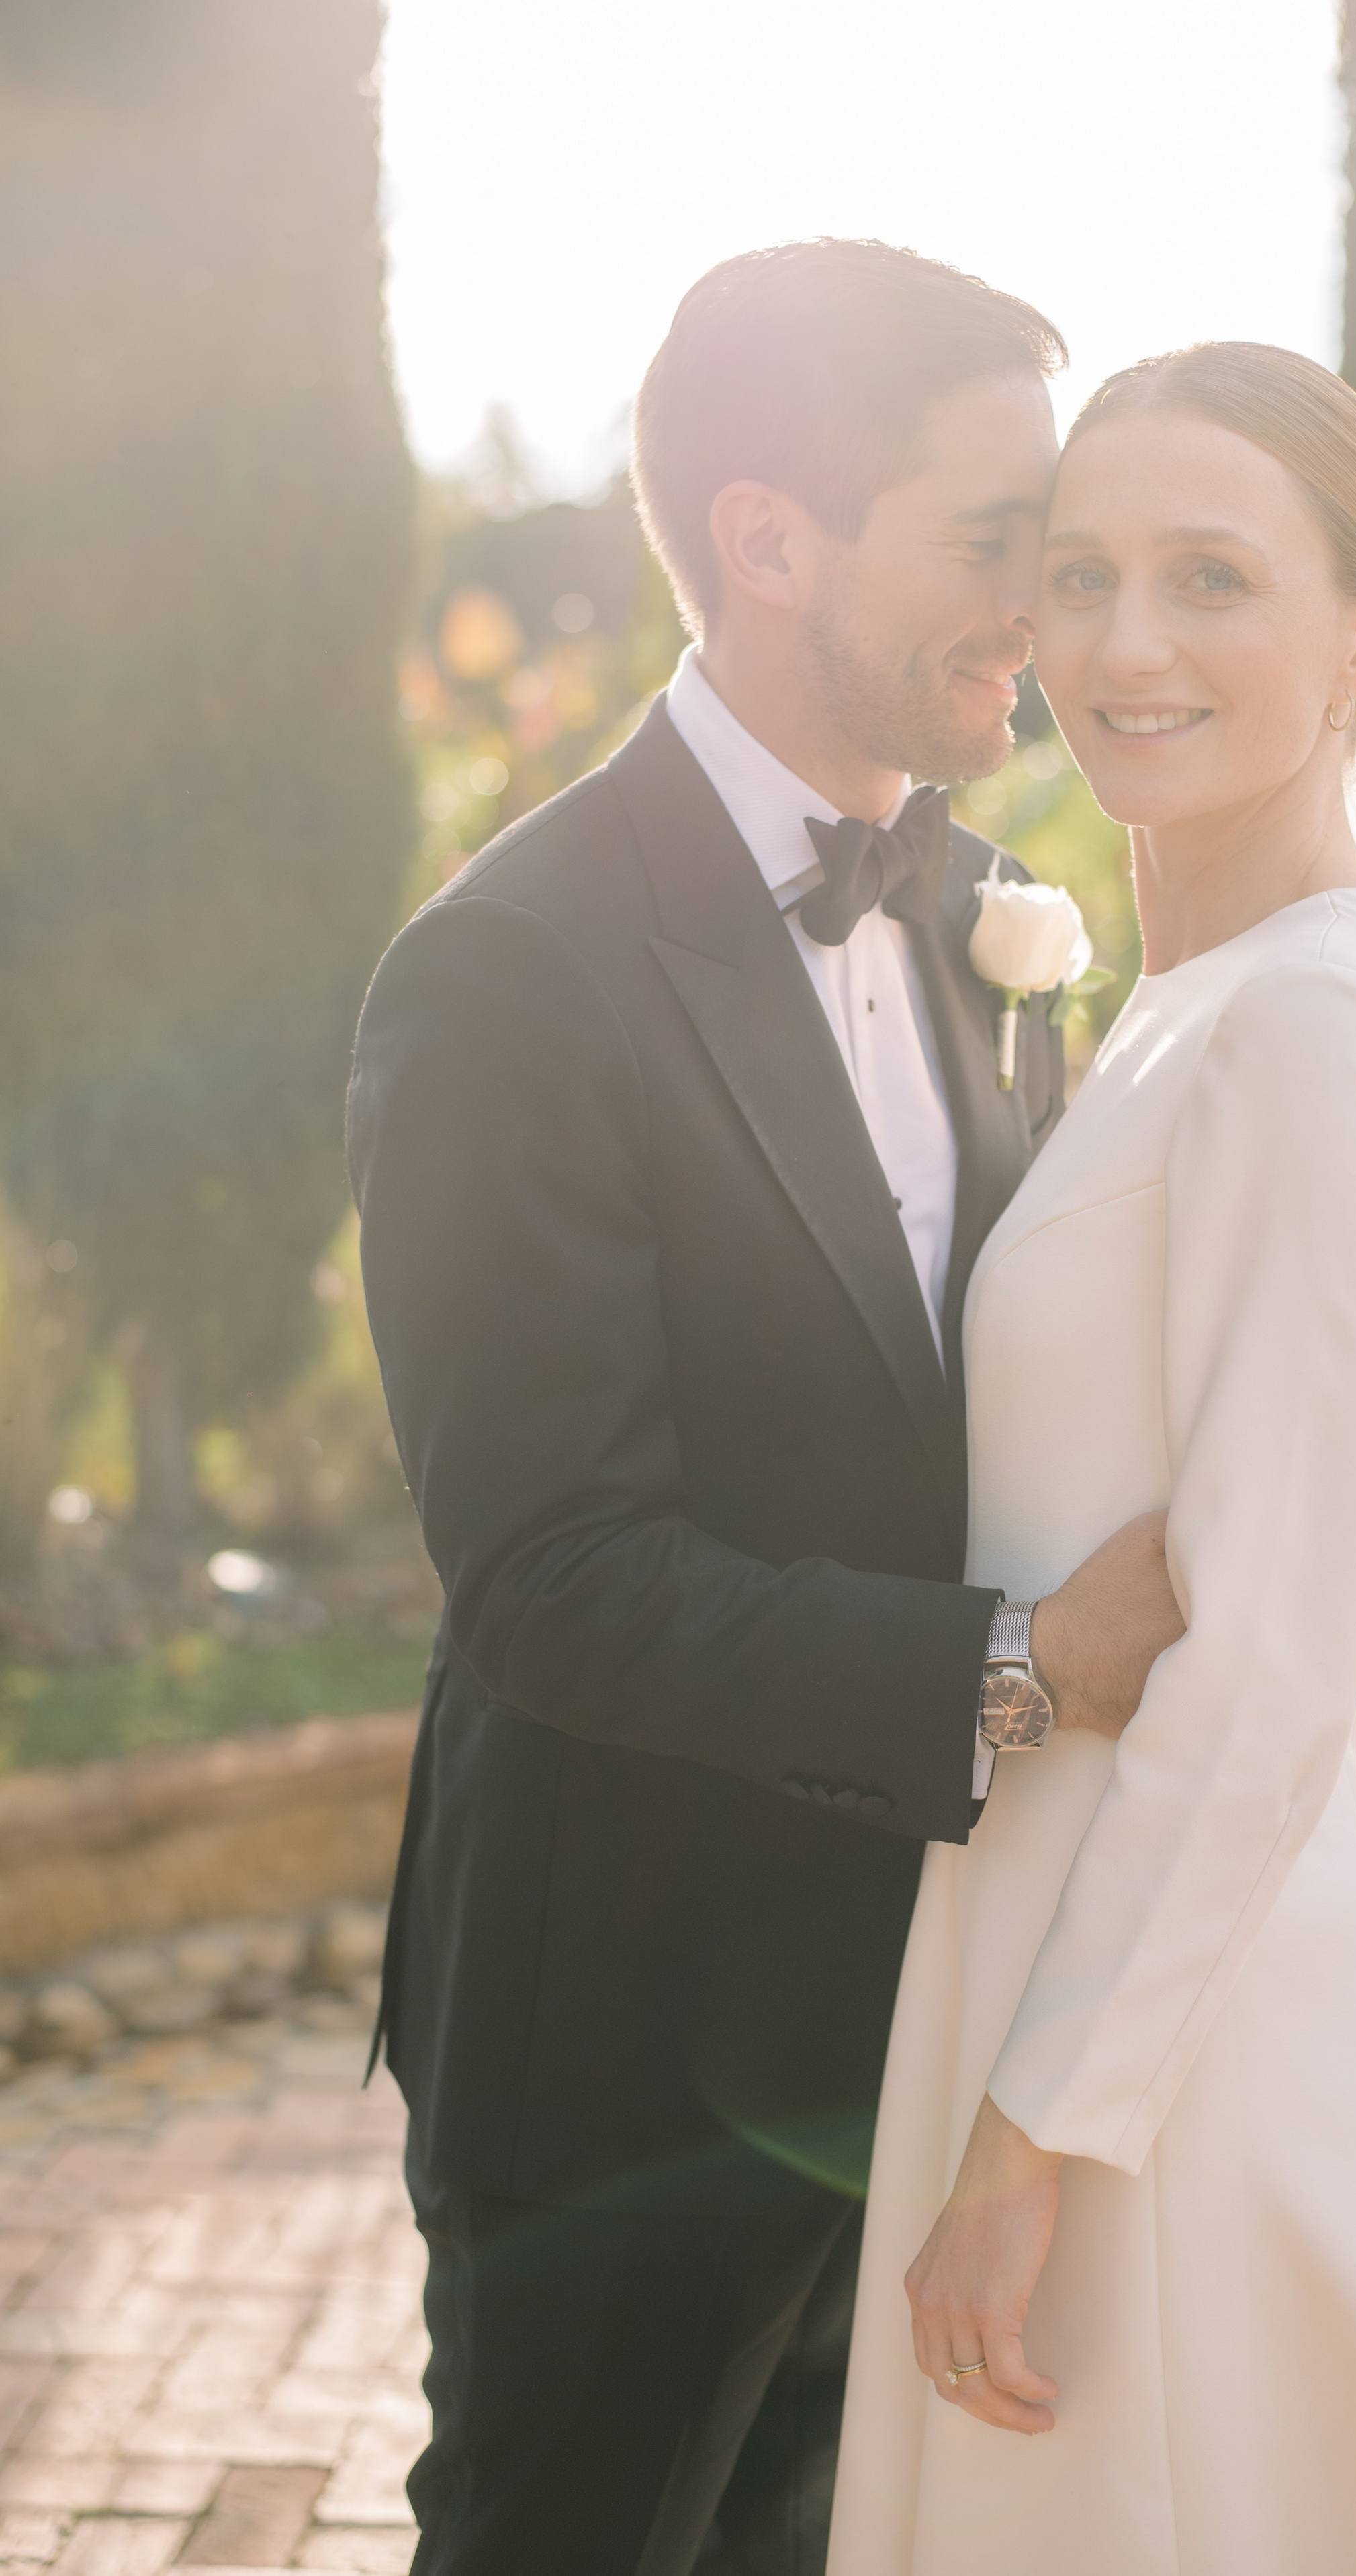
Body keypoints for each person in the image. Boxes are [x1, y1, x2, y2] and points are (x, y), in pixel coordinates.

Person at [346, 240, 1185, 2576]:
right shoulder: (505, 975)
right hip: (628, 2033)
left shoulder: (1002, 905)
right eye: (998, 536)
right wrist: (1012, 1665)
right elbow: (549, 1573)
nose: (1055, 599)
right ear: (769, 539)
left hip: (920, 2024)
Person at [829, 344, 1356, 2576]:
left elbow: (1271, 1646)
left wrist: (1032, 2144)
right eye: (1081, 575)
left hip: (1172, 2052)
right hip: (1056, 1949)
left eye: (1211, 577)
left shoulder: (1322, 1020)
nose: (1126, 642)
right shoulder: (1206, 1000)